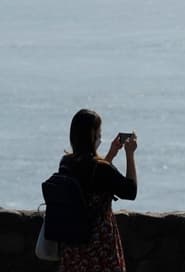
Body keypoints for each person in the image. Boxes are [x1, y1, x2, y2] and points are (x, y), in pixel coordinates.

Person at [51, 108, 138, 272]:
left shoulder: (66, 163)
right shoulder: (101, 169)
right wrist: (129, 154)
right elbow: (130, 191)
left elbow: (90, 179)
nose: (100, 137)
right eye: (98, 133)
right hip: (99, 245)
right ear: (92, 136)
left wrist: (110, 155)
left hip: (73, 243)